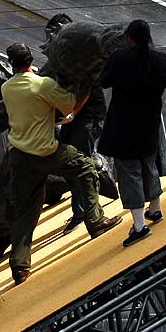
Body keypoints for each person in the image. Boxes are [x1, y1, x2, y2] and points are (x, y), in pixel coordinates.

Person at [2, 43, 122, 285]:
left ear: (11, 64)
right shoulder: (42, 84)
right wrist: (84, 86)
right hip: (46, 151)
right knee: (86, 167)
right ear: (31, 60)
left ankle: (20, 265)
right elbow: (69, 105)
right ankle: (96, 220)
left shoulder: (6, 88)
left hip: (19, 156)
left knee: (25, 211)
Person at [98, 20, 166, 247]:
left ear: (130, 38)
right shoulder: (162, 61)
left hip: (123, 127)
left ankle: (139, 226)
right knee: (149, 165)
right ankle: (155, 209)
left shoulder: (119, 58)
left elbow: (103, 81)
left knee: (130, 173)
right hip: (149, 123)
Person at [58, 83, 107, 233]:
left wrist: (72, 113)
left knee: (81, 166)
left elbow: (84, 92)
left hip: (88, 118)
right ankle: (85, 212)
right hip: (74, 120)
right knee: (73, 165)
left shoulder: (82, 69)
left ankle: (86, 214)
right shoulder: (64, 71)